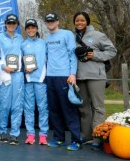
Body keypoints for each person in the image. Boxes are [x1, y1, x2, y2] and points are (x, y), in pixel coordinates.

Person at [73, 12, 117, 149]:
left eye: (82, 20)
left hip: (96, 76)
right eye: (77, 21)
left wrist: (95, 55)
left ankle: (97, 137)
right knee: (84, 108)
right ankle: (86, 136)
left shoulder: (98, 35)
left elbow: (112, 51)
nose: (79, 23)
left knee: (98, 107)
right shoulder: (73, 37)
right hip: (80, 76)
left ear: (87, 21)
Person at [44, 12, 81, 151]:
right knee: (54, 109)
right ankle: (59, 139)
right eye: (48, 21)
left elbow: (73, 55)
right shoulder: (47, 38)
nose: (50, 23)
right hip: (50, 77)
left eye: (52, 20)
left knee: (68, 109)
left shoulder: (67, 34)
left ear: (58, 21)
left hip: (64, 76)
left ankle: (76, 140)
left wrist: (72, 74)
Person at [0, 14, 24, 145]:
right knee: (4, 105)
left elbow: (24, 56)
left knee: (17, 105)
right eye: (9, 23)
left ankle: (14, 133)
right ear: (5, 24)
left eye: (14, 23)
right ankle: (2, 132)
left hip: (18, 74)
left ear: (17, 25)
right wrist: (3, 66)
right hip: (4, 74)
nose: (11, 25)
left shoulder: (20, 38)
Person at [21, 19, 49, 145]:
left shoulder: (44, 43)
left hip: (41, 80)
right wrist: (24, 69)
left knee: (42, 107)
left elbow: (48, 60)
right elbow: (19, 62)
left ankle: (43, 134)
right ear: (26, 30)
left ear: (37, 29)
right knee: (28, 108)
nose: (31, 30)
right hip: (28, 80)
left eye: (33, 28)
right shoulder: (23, 44)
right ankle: (30, 134)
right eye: (28, 28)